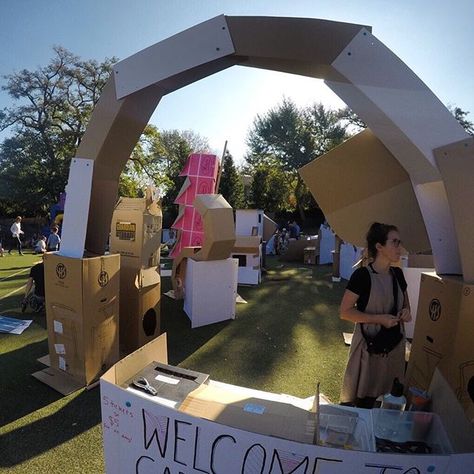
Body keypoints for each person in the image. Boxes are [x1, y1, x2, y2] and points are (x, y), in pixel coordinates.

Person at [339, 222, 411, 408]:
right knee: (364, 401)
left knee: (388, 400)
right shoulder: (362, 276)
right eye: (395, 242)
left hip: (394, 347)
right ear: (379, 246)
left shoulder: (398, 275)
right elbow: (345, 312)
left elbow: (407, 310)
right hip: (368, 348)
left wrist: (405, 313)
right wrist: (379, 319)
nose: (400, 248)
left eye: (399, 242)